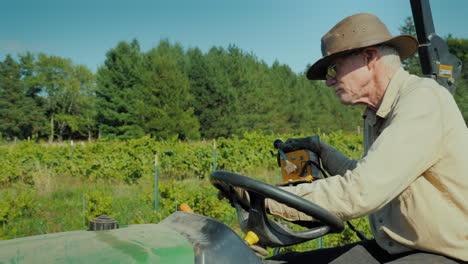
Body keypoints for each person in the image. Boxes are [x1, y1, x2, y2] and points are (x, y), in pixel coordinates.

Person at [257, 13, 468, 263]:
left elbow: (362, 191)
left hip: (445, 254)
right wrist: (323, 152)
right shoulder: (376, 114)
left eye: (334, 68)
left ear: (369, 58)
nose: (329, 81)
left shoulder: (423, 99)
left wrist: (265, 199)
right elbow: (372, 175)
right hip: (396, 249)